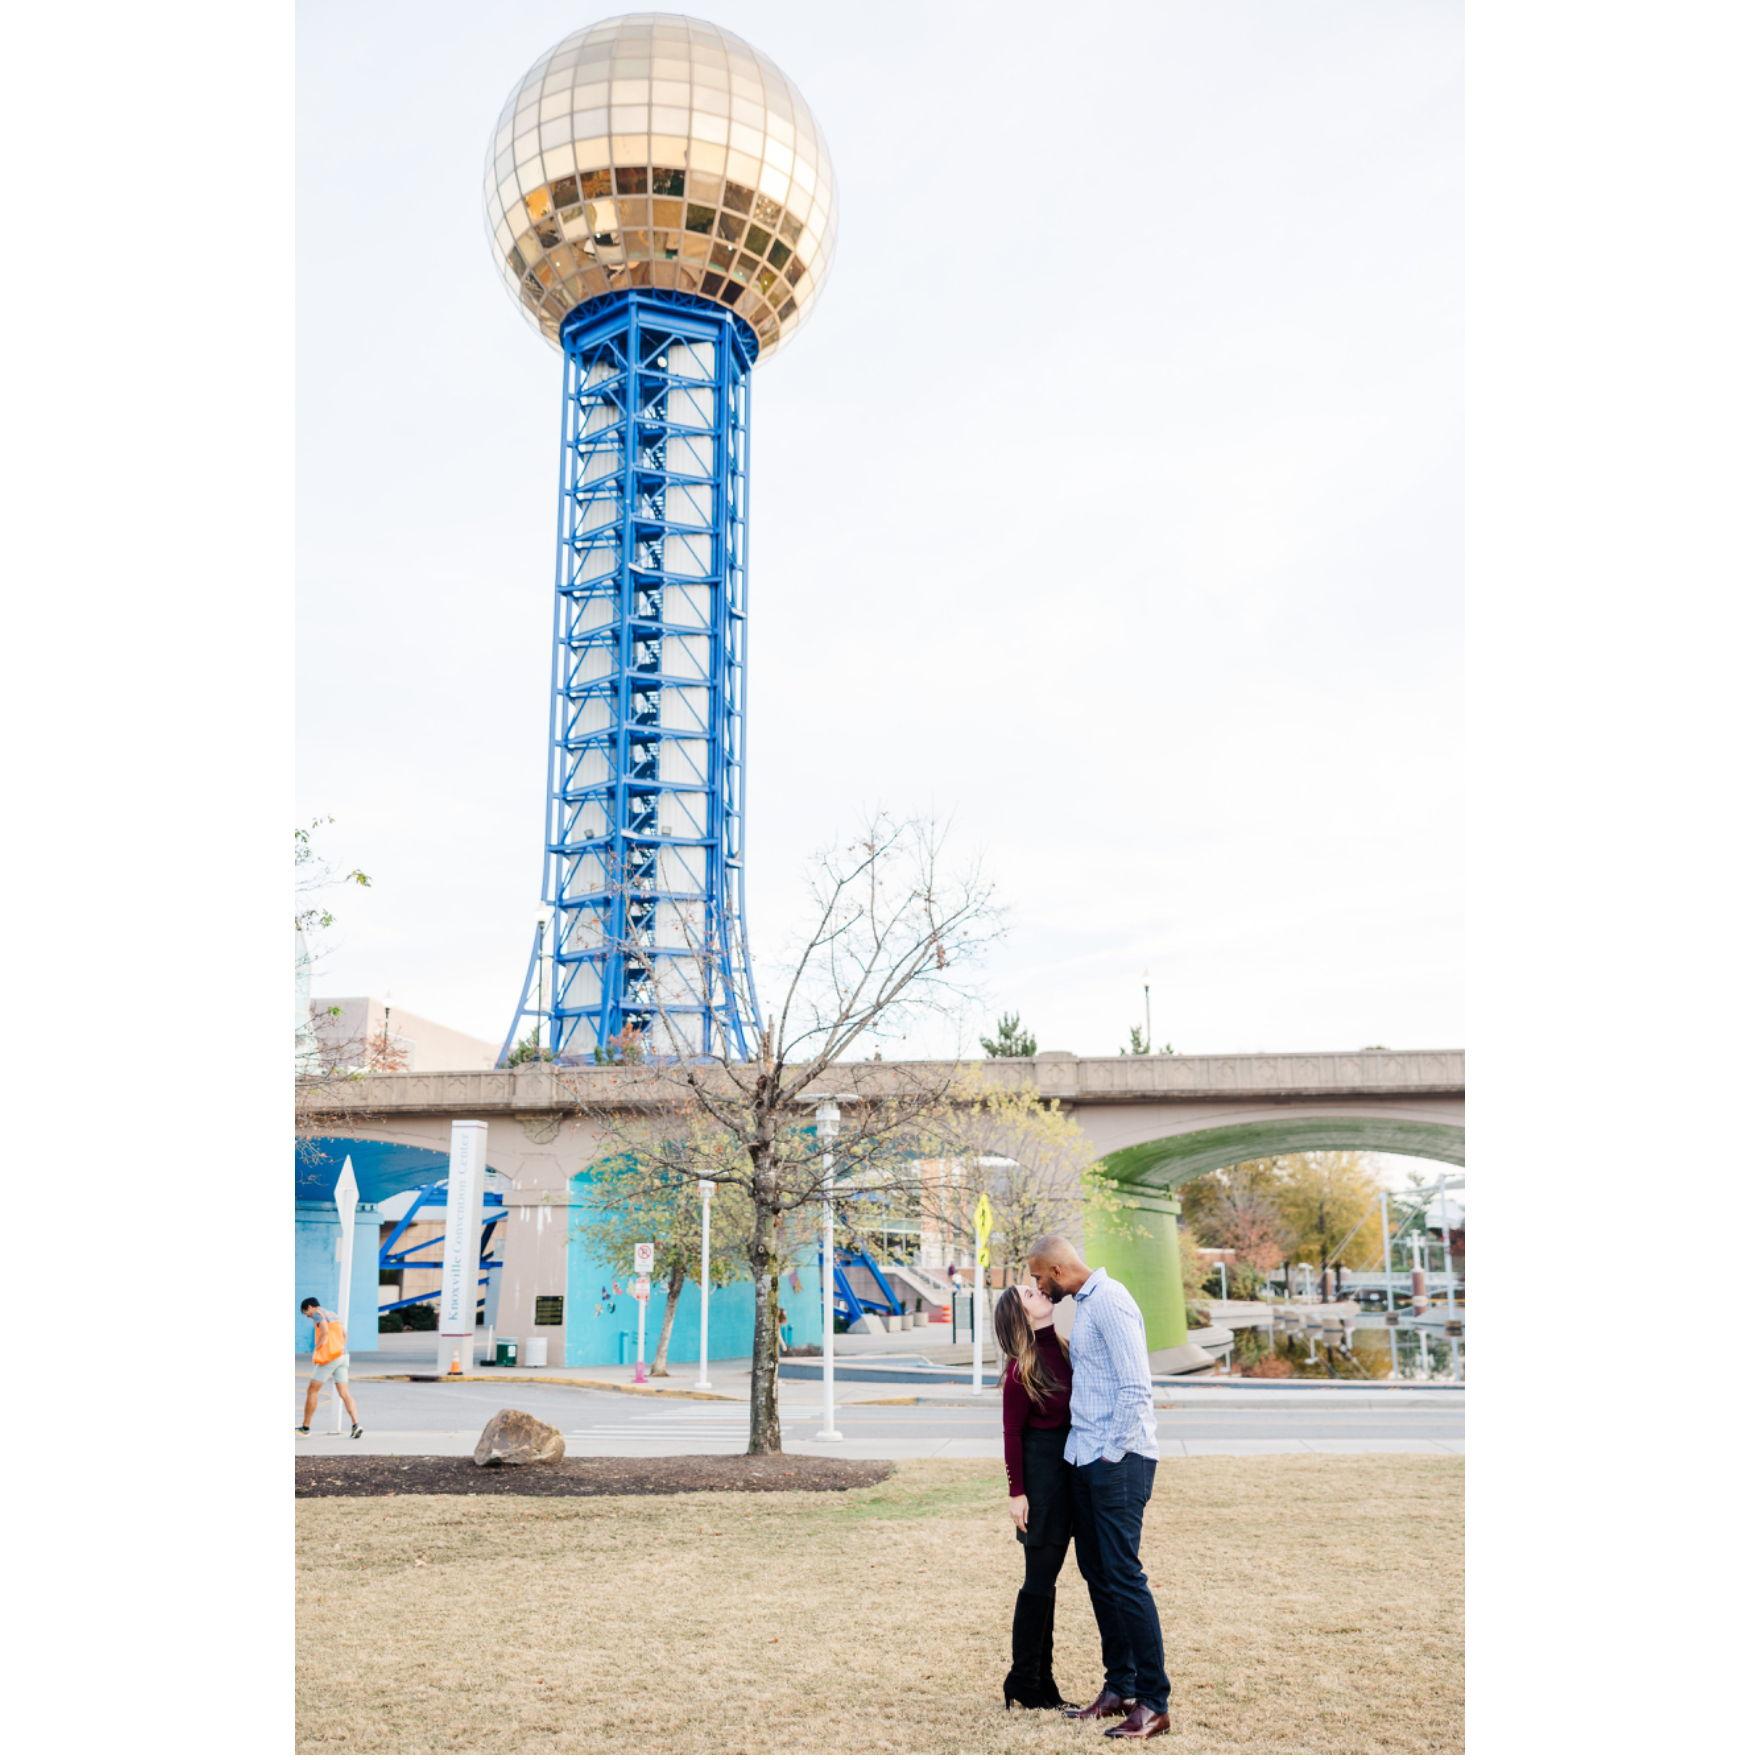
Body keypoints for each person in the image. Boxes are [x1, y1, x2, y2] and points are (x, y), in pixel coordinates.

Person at [1025, 1234, 1170, 1741]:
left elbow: (1136, 1389)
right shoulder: (1085, 1305)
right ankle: (1120, 1688)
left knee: (1124, 1576)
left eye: (1040, 1276)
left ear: (1059, 1270)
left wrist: (1110, 1456)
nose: (1038, 1285)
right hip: (1085, 1459)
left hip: (1119, 1461)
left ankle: (1154, 1702)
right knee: (1099, 1575)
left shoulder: (1110, 1302)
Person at [993, 1282, 1079, 1712]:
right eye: (1029, 1294)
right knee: (1038, 1582)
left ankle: (1041, 1682)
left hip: (1068, 1479)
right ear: (1022, 1315)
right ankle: (1024, 1679)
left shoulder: (1063, 1348)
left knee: (1048, 1585)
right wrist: (1017, 1493)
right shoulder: (1019, 1371)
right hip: (1041, 1484)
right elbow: (1011, 1434)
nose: (1040, 1291)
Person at [297, 1296, 363, 1438]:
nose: (308, 1316)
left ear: (309, 1307)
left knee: (312, 1390)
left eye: (305, 1313)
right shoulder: (333, 1314)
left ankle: (305, 1427)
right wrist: (339, 1347)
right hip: (343, 1355)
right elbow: (345, 1334)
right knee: (344, 1393)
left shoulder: (317, 1314)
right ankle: (356, 1424)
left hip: (330, 1357)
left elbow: (325, 1332)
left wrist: (317, 1348)